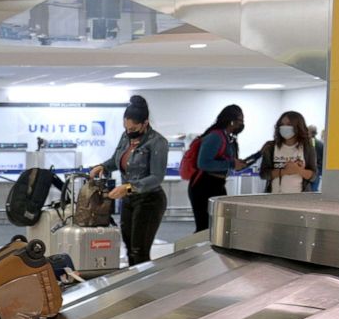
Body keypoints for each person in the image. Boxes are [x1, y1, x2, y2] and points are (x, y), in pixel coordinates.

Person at [89, 95, 168, 266]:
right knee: (129, 247)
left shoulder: (157, 142)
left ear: (145, 123)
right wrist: (103, 166)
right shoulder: (125, 137)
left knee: (139, 250)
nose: (129, 131)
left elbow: (156, 177)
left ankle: (144, 289)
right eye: (126, 127)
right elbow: (116, 159)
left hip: (149, 199)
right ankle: (133, 287)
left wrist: (129, 188)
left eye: (133, 128)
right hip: (129, 199)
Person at [187, 104, 247, 232]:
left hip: (217, 184)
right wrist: (231, 164)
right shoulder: (215, 136)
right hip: (203, 185)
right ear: (231, 120)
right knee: (204, 227)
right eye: (239, 120)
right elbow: (203, 163)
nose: (241, 124)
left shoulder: (228, 138)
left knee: (218, 225)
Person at [260, 112, 317, 194]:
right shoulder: (271, 147)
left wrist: (298, 170)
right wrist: (284, 171)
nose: (284, 127)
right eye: (282, 124)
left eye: (289, 124)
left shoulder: (308, 148)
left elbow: (313, 176)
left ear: (298, 126)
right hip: (274, 196)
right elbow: (264, 174)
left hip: (300, 198)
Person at [309, 124, 324, 191]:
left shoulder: (309, 143)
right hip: (318, 171)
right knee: (314, 191)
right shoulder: (321, 144)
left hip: (311, 170)